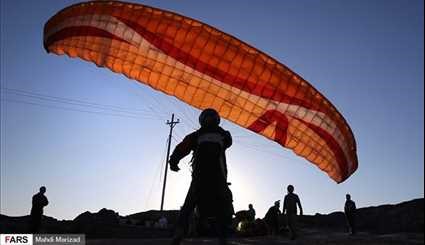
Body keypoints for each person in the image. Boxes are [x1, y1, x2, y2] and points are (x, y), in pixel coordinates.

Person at [169, 108, 234, 245]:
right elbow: (229, 141)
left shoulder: (196, 135)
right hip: (218, 178)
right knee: (223, 205)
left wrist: (174, 161)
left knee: (188, 206)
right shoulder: (224, 135)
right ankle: (223, 237)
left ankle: (178, 234)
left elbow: (182, 148)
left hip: (200, 177)